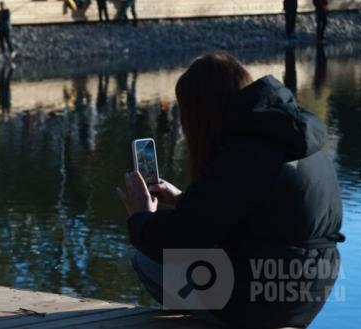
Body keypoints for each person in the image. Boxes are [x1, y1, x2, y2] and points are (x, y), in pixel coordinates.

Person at [117, 51, 344, 327]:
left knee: (146, 261)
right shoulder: (292, 138)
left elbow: (176, 241)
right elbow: (258, 213)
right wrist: (183, 201)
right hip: (312, 290)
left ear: (201, 112)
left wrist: (140, 216)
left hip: (263, 301)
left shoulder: (243, 154)